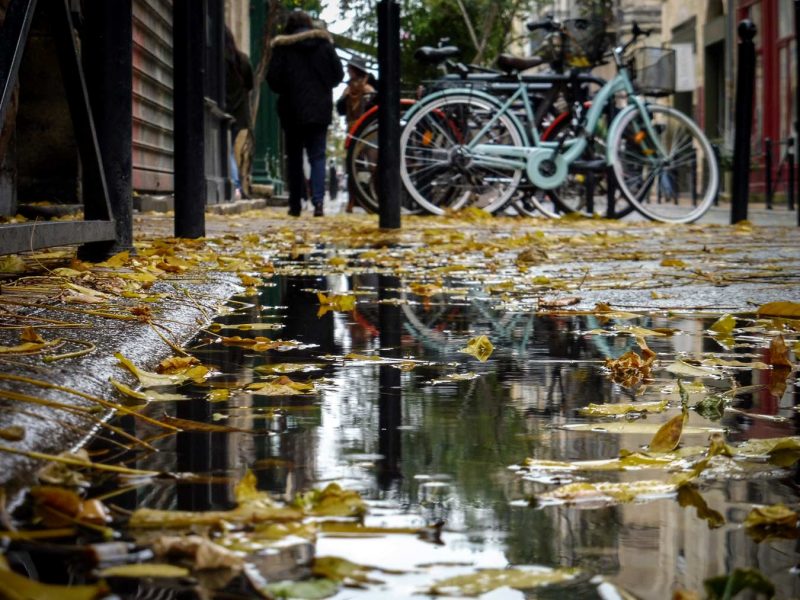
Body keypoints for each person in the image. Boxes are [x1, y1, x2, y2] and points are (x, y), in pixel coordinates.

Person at [267, 10, 343, 217]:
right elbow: (338, 75)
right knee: (317, 156)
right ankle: (318, 203)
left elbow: (272, 80)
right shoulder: (324, 45)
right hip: (319, 109)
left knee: (294, 157)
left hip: (291, 109)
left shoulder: (282, 48)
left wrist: (288, 87)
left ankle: (295, 206)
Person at [336, 56, 376, 213]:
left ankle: (365, 200)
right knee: (358, 167)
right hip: (358, 131)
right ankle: (359, 200)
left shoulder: (367, 90)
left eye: (349, 68)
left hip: (363, 131)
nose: (347, 71)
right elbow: (340, 109)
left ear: (355, 70)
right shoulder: (351, 90)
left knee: (366, 167)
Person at [225, 27, 254, 200]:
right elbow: (250, 85)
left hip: (223, 108)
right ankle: (236, 186)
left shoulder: (216, 59)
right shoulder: (242, 59)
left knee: (226, 149)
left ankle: (235, 185)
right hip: (238, 112)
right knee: (228, 148)